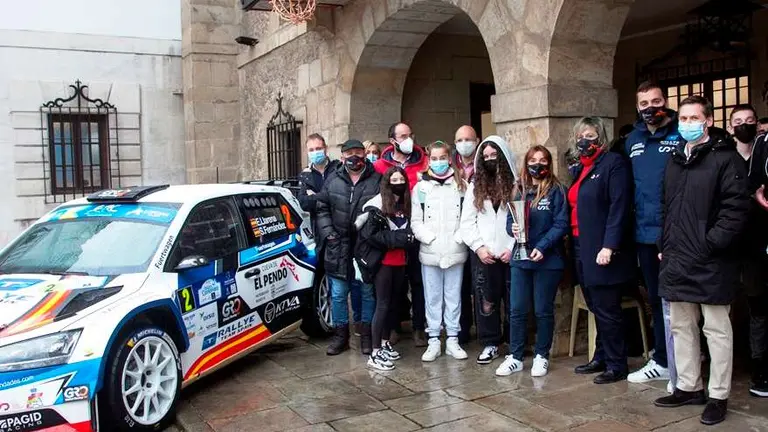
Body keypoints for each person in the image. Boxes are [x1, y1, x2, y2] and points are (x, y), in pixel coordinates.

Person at [653, 96, 750, 426]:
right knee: (681, 327)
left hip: (711, 260)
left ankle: (718, 394)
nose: (688, 122)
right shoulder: (675, 160)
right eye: (683, 117)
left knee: (716, 330)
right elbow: (667, 207)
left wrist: (710, 244)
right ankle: (688, 386)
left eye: (695, 117)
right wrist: (663, 243)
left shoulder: (727, 159)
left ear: (708, 121)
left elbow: (735, 212)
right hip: (678, 257)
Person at [623, 81, 682, 385]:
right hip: (645, 235)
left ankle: (684, 363)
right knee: (658, 300)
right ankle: (662, 360)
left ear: (665, 101)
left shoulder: (681, 133)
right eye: (644, 103)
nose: (650, 108)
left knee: (682, 302)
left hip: (677, 235)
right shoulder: (632, 139)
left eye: (655, 101)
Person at [569, 117, 634, 385]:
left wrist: (609, 245)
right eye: (581, 135)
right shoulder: (580, 168)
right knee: (595, 305)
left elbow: (619, 207)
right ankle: (601, 356)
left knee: (607, 307)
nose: (586, 140)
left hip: (601, 247)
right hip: (578, 245)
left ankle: (617, 364)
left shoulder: (613, 164)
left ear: (602, 138)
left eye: (591, 135)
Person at [496, 145, 569, 377]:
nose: (538, 164)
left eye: (543, 160)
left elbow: (561, 224)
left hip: (548, 260)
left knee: (542, 310)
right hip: (521, 257)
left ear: (549, 163)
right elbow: (509, 221)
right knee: (516, 310)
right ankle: (515, 356)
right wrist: (513, 228)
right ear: (526, 163)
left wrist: (543, 246)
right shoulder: (519, 189)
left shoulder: (557, 190)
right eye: (533, 160)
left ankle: (541, 355)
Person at [316, 139, 381, 356]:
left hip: (365, 246)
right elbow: (322, 207)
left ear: (364, 154)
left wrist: (369, 231)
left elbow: (382, 208)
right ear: (342, 156)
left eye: (358, 152)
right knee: (338, 293)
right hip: (338, 246)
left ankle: (366, 336)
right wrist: (329, 234)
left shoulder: (376, 179)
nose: (355, 156)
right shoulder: (333, 180)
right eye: (349, 153)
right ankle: (341, 336)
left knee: (367, 292)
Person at [298, 134, 364, 335]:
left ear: (326, 148)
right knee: (335, 286)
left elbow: (340, 199)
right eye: (311, 149)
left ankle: (361, 322)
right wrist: (323, 198)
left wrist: (316, 197)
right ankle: (339, 328)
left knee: (357, 282)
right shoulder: (305, 175)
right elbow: (304, 203)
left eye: (318, 148)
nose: (315, 152)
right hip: (324, 234)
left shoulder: (337, 168)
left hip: (347, 229)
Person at [460, 135, 518, 365]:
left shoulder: (516, 185)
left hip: (510, 253)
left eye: (494, 155)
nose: (490, 159)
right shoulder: (475, 187)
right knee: (486, 301)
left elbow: (522, 220)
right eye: (485, 156)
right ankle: (490, 343)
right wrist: (479, 247)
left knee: (514, 300)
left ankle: (515, 343)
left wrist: (511, 247)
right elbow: (466, 223)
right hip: (484, 255)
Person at [354, 167, 418, 370]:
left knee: (392, 304)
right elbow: (371, 235)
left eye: (401, 179)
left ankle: (384, 342)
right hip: (383, 263)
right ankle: (374, 352)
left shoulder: (407, 203)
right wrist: (399, 239)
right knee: (381, 305)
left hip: (400, 261)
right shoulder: (377, 205)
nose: (398, 183)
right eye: (394, 179)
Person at [411, 141, 469, 362]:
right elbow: (416, 220)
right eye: (434, 159)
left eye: (442, 158)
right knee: (432, 296)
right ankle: (434, 339)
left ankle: (453, 339)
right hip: (430, 251)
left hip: (455, 249)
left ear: (449, 158)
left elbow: (468, 216)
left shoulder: (462, 186)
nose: (438, 162)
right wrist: (430, 239)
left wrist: (458, 239)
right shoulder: (421, 188)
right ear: (428, 160)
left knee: (453, 297)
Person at [374, 122, 429, 346]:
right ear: (393, 140)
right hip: (392, 232)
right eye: (403, 136)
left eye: (410, 134)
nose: (409, 139)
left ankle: (419, 328)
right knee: (394, 284)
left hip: (418, 229)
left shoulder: (425, 161)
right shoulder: (379, 166)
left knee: (418, 281)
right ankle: (393, 327)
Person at [728, 104, 768, 398]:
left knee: (758, 305)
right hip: (727, 243)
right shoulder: (723, 156)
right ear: (730, 126)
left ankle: (758, 367)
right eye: (738, 121)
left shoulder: (764, 154)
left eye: (749, 121)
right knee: (722, 307)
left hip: (757, 243)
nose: (744, 125)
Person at [453, 126, 480, 345]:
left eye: (468, 139)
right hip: (454, 233)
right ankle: (462, 329)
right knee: (460, 285)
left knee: (479, 283)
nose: (464, 143)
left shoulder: (484, 163)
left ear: (477, 141)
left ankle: (484, 328)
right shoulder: (450, 166)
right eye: (460, 139)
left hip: (480, 232)